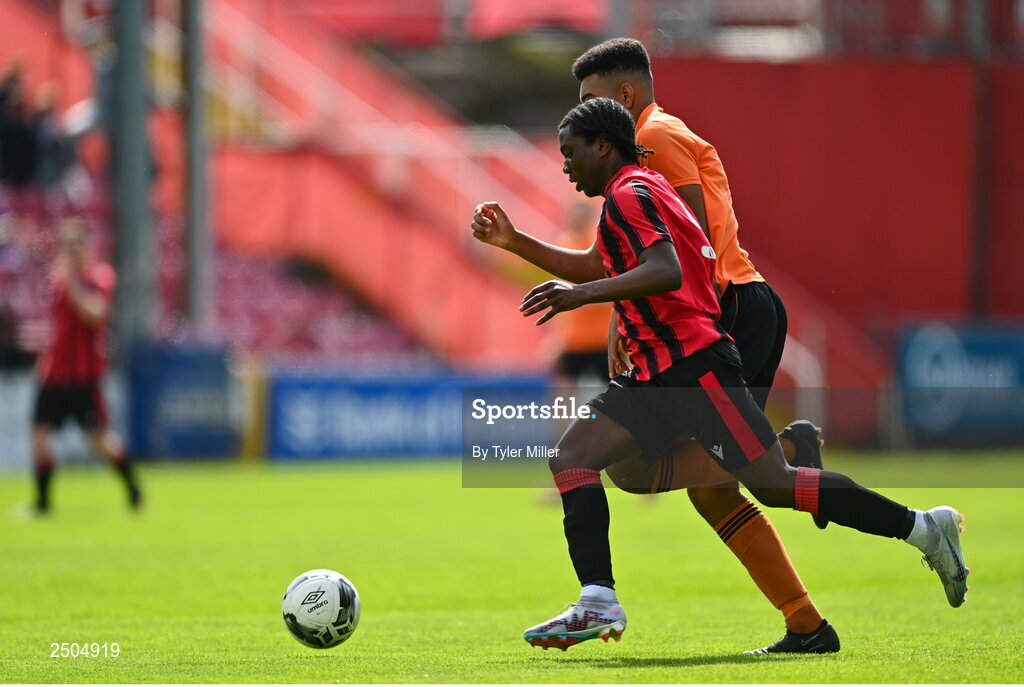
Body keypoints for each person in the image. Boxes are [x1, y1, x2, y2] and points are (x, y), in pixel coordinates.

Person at [470, 97, 968, 652]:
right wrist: (515, 243)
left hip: (693, 367)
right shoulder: (638, 190)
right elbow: (601, 262)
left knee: (774, 487)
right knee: (594, 463)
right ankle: (597, 599)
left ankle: (924, 528)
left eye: (571, 153)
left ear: (603, 146)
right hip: (656, 373)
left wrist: (580, 297)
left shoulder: (632, 193)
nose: (565, 166)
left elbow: (664, 269)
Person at [567, 37, 831, 652]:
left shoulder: (653, 140)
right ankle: (805, 625)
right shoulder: (654, 140)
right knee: (709, 488)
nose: (581, 114)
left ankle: (796, 456)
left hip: (726, 307)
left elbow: (685, 257)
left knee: (638, 466)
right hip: (728, 305)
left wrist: (623, 316)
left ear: (625, 96)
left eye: (590, 99)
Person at [30, 219, 141, 515]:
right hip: (54, 374)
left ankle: (133, 489)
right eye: (67, 244)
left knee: (98, 440)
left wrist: (73, 284)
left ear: (88, 247)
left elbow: (95, 315)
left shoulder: (99, 278)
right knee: (40, 434)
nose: (71, 250)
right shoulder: (56, 281)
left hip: (83, 377)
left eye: (77, 244)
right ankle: (42, 504)